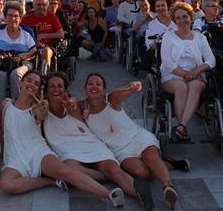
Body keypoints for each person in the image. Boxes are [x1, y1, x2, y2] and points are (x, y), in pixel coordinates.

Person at [0, 71, 125, 207]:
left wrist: (62, 104)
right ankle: (50, 181)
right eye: (29, 81)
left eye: (36, 83)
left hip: (37, 152)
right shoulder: (6, 104)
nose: (32, 85)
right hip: (15, 158)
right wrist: (3, 151)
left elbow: (41, 114)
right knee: (6, 184)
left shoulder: (37, 108)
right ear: (20, 83)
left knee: (64, 171)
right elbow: (4, 131)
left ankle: (108, 194)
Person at [43, 72, 151, 207]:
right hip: (68, 151)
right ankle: (106, 176)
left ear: (65, 91)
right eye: (51, 86)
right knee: (70, 169)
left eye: (60, 86)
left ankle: (141, 195)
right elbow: (36, 111)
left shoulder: (73, 106)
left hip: (90, 144)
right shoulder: (42, 111)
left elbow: (75, 102)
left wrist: (71, 102)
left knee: (112, 169)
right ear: (46, 91)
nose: (56, 89)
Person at [80, 74, 180, 210]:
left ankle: (167, 186)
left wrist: (132, 87)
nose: (94, 86)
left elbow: (123, 92)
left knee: (150, 157)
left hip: (137, 136)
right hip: (120, 150)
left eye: (98, 84)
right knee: (142, 172)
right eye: (90, 84)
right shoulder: (82, 106)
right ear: (85, 89)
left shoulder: (111, 99)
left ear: (104, 90)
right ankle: (169, 164)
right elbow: (67, 105)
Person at [161, 2, 215, 142]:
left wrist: (196, 70)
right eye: (178, 18)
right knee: (181, 87)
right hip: (173, 75)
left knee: (195, 86)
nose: (182, 20)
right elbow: (167, 62)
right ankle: (182, 128)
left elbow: (211, 60)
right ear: (174, 20)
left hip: (195, 75)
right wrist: (184, 74)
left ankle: (180, 128)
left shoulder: (200, 38)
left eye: (184, 16)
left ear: (190, 17)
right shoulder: (168, 36)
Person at [0, 1, 37, 124]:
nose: (13, 18)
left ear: (20, 18)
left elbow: (34, 50)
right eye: (10, 16)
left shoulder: (26, 32)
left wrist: (24, 56)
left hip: (22, 63)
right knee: (0, 75)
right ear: (5, 18)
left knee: (16, 74)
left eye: (16, 16)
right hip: (1, 62)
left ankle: (19, 109)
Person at [22, 0, 64, 70]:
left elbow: (61, 34)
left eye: (44, 5)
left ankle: (45, 74)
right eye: (38, 5)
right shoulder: (26, 19)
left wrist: (43, 35)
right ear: (34, 6)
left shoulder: (52, 16)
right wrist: (35, 41)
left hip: (48, 47)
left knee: (46, 51)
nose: (41, 7)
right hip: (29, 47)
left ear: (47, 6)